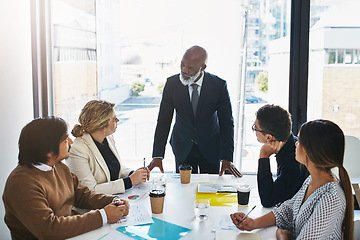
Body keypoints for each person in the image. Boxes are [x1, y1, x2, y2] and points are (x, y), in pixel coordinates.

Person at [2, 117, 129, 240]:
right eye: (64, 140)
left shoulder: (58, 167)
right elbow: (49, 229)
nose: (70, 142)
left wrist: (113, 201)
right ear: (48, 151)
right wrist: (103, 216)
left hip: (72, 234)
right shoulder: (21, 184)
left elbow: (82, 195)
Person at [231, 119, 354, 240]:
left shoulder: (330, 198)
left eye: (299, 141)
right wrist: (254, 223)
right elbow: (287, 211)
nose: (296, 143)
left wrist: (282, 237)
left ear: (311, 151)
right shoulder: (311, 180)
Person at [148, 45, 242, 177]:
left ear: (203, 67)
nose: (184, 70)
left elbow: (226, 123)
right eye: (182, 64)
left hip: (211, 148)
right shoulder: (172, 84)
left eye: (190, 68)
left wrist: (227, 157)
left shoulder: (218, 86)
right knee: (184, 189)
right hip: (183, 147)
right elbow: (164, 121)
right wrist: (158, 155)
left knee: (210, 191)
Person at [66, 100, 150, 195]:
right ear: (102, 125)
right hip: (94, 207)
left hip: (114, 200)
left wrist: (133, 174)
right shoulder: (77, 150)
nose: (118, 120)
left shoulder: (108, 138)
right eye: (114, 119)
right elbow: (90, 191)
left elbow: (114, 168)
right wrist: (130, 181)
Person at [253, 104, 308, 207]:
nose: (255, 132)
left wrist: (263, 155)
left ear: (269, 137)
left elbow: (268, 200)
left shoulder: (295, 161)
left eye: (255, 128)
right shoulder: (290, 143)